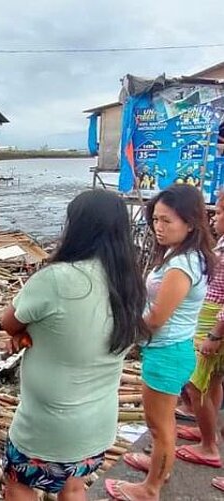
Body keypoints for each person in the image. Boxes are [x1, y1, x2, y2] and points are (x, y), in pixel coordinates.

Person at [0, 190, 148, 501]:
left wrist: (24, 332)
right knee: (74, 486)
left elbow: (9, 322)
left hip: (47, 426)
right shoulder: (130, 283)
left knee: (19, 484)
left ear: (77, 228)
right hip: (97, 422)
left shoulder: (57, 279)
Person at [106, 184, 216, 501]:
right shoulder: (184, 254)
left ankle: (150, 488)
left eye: (167, 221)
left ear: (191, 222)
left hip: (167, 352)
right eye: (155, 219)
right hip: (172, 348)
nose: (158, 227)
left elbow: (155, 319)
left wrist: (120, 324)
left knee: (160, 426)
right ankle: (159, 468)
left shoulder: (182, 265)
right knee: (162, 424)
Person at [174, 194, 224, 482]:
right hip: (210, 320)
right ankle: (208, 431)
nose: (214, 219)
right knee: (213, 380)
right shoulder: (220, 244)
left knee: (197, 385)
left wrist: (215, 334)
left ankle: (208, 446)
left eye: (218, 212)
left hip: (213, 324)